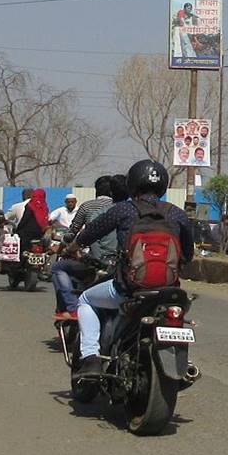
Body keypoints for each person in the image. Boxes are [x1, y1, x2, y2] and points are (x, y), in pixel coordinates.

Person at [69, 160, 194, 381]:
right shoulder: (177, 214)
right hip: (167, 291)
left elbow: (90, 234)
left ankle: (90, 357)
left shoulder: (124, 209)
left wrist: (73, 247)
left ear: (132, 184)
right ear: (163, 185)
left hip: (129, 288)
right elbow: (188, 253)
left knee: (86, 300)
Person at [52, 177, 116, 317]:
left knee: (58, 267)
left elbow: (71, 233)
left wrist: (64, 247)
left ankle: (72, 308)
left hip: (94, 259)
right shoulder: (122, 207)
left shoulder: (87, 207)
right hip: (118, 261)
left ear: (96, 191)